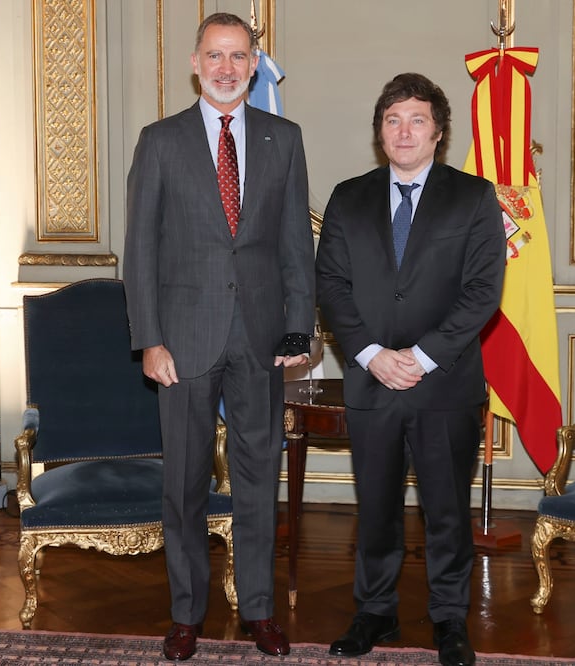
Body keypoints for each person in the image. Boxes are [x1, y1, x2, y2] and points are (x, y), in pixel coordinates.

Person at [123, 12, 315, 662]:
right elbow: (140, 250)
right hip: (182, 340)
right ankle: (186, 615)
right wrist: (149, 339)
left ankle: (259, 609)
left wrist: (298, 326)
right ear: (195, 63)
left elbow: (295, 244)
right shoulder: (160, 141)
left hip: (261, 338)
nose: (226, 68)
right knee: (183, 483)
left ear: (254, 65)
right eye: (215, 55)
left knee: (258, 478)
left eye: (238, 56)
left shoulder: (284, 139)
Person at [315, 72, 505, 666]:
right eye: (392, 120)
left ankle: (449, 618)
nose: (403, 131)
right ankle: (375, 611)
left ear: (438, 132)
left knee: (446, 512)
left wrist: (420, 358)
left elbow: (483, 292)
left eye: (417, 120)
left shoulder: (474, 197)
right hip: (371, 380)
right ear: (379, 131)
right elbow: (331, 285)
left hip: (443, 383)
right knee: (375, 509)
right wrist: (371, 354)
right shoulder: (348, 197)